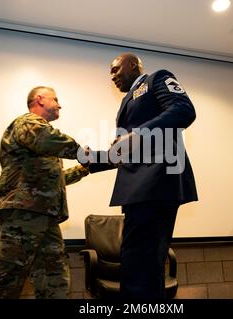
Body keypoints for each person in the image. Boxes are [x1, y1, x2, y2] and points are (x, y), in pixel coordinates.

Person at [88, 53, 198, 298]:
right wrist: (89, 160)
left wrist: (136, 134)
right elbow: (122, 152)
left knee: (141, 264)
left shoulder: (157, 79)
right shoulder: (125, 103)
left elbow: (183, 110)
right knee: (140, 265)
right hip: (137, 191)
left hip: (156, 183)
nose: (112, 75)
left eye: (115, 69)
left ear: (134, 65)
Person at [0, 86, 90, 299]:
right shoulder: (27, 123)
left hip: (46, 221)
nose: (59, 104)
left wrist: (83, 169)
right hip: (19, 217)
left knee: (55, 283)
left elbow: (52, 182)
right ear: (39, 99)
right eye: (55, 99)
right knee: (3, 286)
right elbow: (47, 138)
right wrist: (81, 153)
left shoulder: (42, 143)